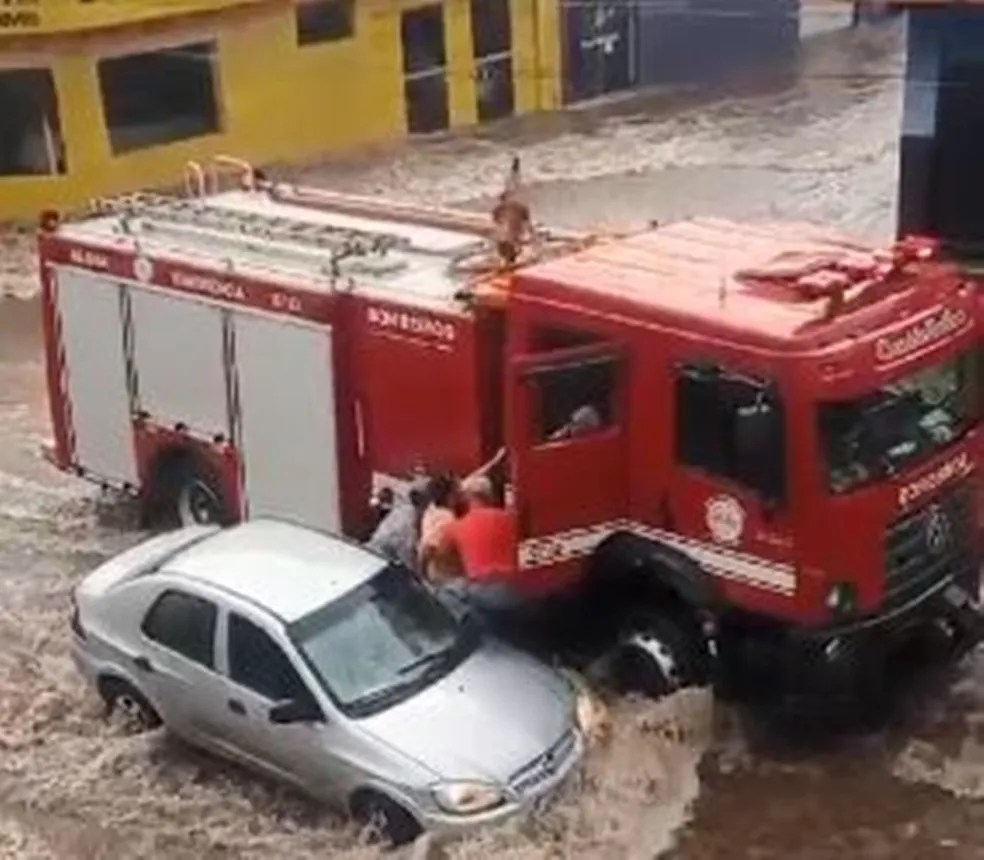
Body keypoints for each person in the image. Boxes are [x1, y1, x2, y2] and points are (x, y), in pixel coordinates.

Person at [437, 475, 522, 613]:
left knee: (445, 590)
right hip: (515, 589)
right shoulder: (511, 518)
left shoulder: (453, 528)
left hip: (482, 592)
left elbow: (441, 561)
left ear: (466, 498)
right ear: (490, 496)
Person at [366, 477, 429, 572]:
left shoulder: (402, 509)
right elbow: (407, 553)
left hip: (371, 553)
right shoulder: (408, 518)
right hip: (377, 564)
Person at [418, 473, 461, 584]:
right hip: (443, 576)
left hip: (433, 571)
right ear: (449, 495)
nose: (461, 494)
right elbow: (428, 547)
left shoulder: (430, 510)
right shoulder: (446, 519)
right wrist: (422, 577)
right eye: (457, 490)